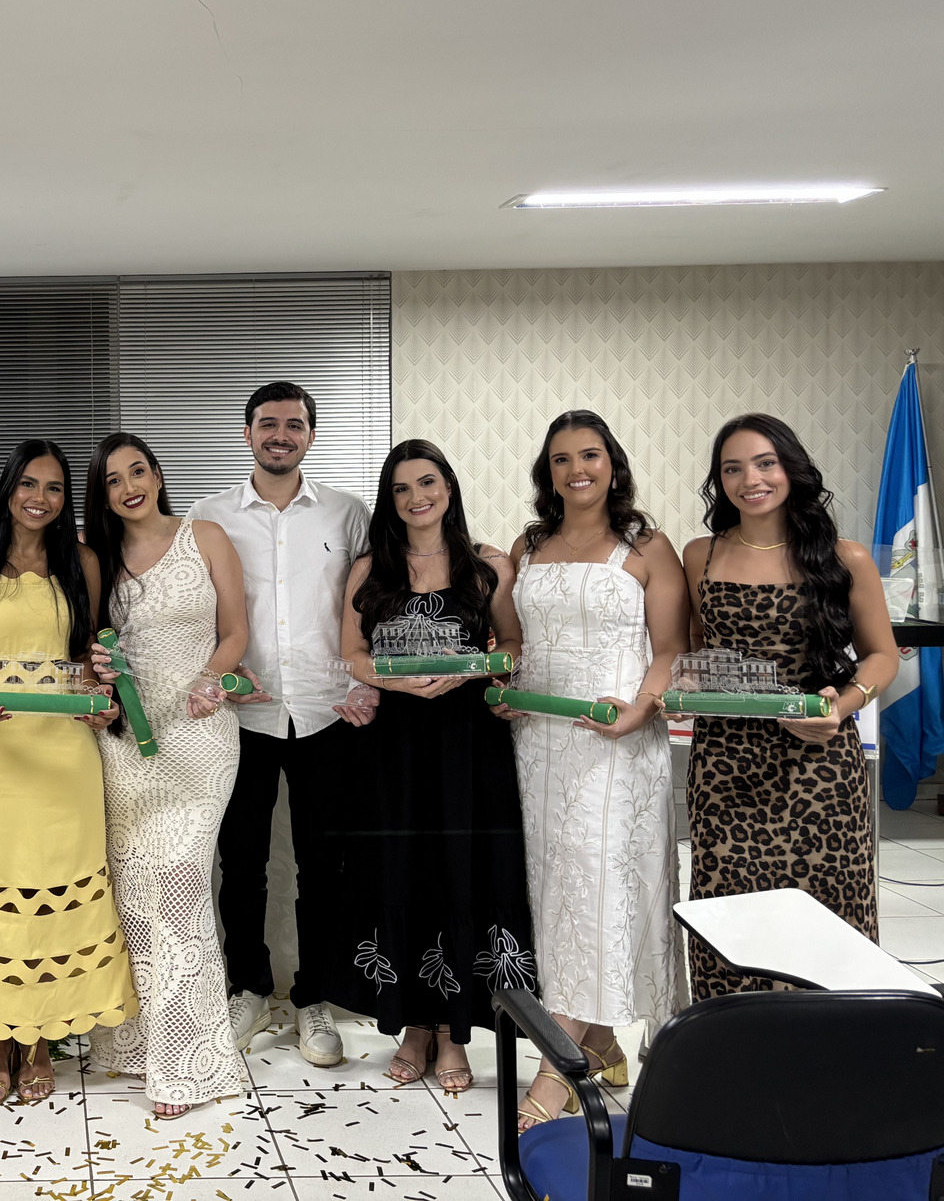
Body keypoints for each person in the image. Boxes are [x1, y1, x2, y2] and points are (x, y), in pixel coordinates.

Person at [0, 439, 138, 1105]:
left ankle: (36, 1037)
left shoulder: (83, 561)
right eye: (29, 484)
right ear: (8, 488)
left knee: (49, 878)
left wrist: (101, 701)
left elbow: (89, 653)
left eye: (55, 488)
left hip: (63, 749)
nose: (40, 498)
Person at [498, 411, 688, 1132]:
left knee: (598, 887)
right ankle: (600, 1039)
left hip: (616, 743)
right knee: (556, 894)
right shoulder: (528, 545)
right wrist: (507, 683)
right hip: (539, 743)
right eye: (561, 459)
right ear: (547, 473)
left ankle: (559, 1069)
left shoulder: (647, 547)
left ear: (613, 464)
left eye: (590, 455)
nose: (577, 469)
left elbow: (670, 648)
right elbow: (518, 640)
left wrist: (641, 708)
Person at [330, 439, 535, 1094]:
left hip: (468, 742)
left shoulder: (487, 564)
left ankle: (454, 1034)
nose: (416, 497)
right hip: (391, 746)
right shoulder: (370, 568)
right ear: (389, 501)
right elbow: (351, 654)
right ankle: (413, 1028)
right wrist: (390, 681)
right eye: (401, 488)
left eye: (427, 482)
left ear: (449, 486)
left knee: (461, 873)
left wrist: (469, 670)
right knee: (403, 871)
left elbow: (513, 646)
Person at [187, 381, 375, 1066]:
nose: (280, 435)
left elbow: (378, 598)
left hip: (328, 710)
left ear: (311, 436)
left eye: (294, 425)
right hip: (243, 714)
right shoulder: (209, 516)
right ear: (247, 433)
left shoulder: (347, 514)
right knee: (242, 863)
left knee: (324, 865)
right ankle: (249, 988)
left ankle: (314, 996)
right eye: (268, 423)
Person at [682, 414, 899, 1000]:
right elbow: (697, 648)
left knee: (826, 917)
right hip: (725, 763)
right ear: (719, 481)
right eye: (732, 469)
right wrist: (683, 689)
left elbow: (882, 656)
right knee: (730, 914)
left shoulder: (845, 558)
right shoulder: (700, 555)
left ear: (792, 469)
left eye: (764, 463)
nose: (750, 479)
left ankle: (831, 1047)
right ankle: (735, 1045)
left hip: (820, 764)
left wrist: (844, 705)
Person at [84, 433, 250, 1119]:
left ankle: (188, 1063)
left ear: (157, 475)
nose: (129, 486)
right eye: (114, 479)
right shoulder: (95, 558)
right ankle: (135, 1045)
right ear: (102, 495)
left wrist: (210, 680)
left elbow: (236, 632)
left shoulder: (204, 536)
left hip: (200, 735)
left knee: (181, 886)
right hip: (125, 742)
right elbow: (85, 649)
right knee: (132, 892)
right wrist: (94, 673)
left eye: (138, 471)